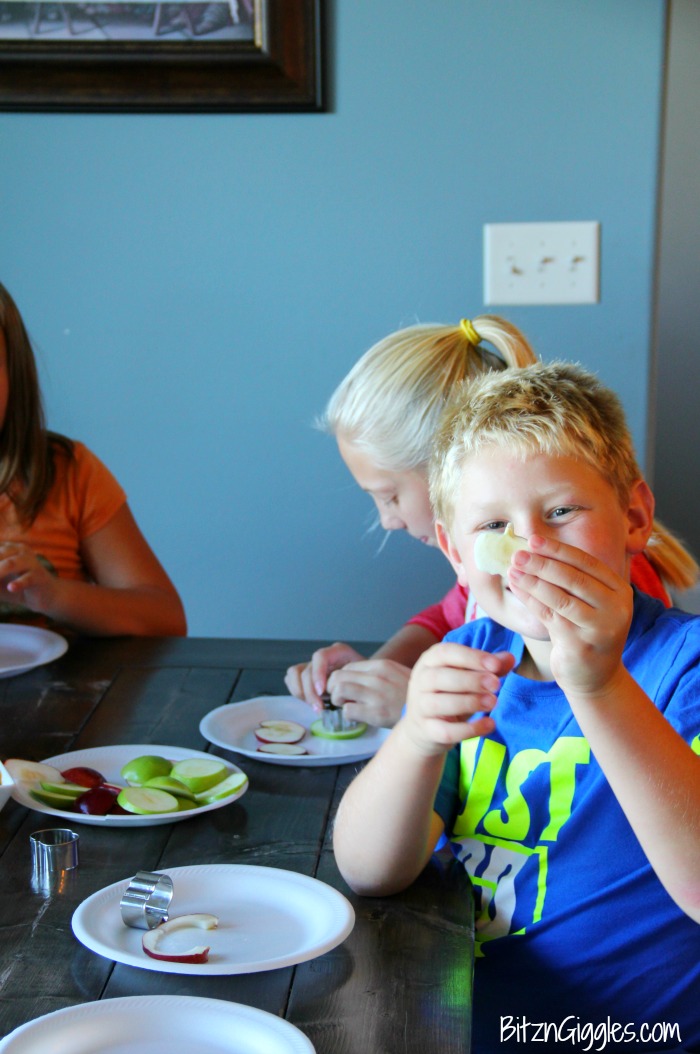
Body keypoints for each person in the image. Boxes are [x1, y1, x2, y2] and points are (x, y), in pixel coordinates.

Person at [333, 360, 700, 1053]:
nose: (531, 547)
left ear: (635, 517)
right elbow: (370, 869)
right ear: (455, 553)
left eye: (561, 512)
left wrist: (598, 686)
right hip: (454, 1026)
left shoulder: (684, 667)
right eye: (495, 525)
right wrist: (415, 737)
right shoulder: (472, 656)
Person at [285, 317, 694, 728]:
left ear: (450, 472)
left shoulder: (606, 581)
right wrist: (376, 671)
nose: (388, 520)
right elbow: (446, 618)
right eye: (496, 523)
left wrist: (414, 708)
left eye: (390, 496)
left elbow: (602, 717)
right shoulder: (492, 576)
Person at [0, 282, 186, 636]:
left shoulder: (67, 473)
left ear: (15, 372)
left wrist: (51, 596)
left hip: (60, 689)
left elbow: (166, 620)